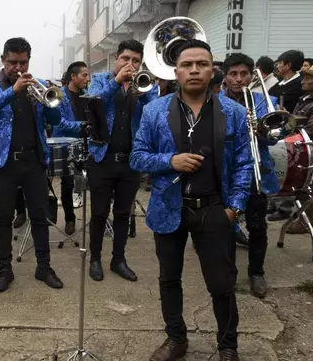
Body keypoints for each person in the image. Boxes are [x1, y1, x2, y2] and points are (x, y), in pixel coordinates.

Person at [130, 39, 252, 361]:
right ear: (176, 71)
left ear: (214, 70)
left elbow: (244, 163)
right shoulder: (155, 110)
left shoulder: (235, 112)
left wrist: (234, 208)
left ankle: (228, 347)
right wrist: (170, 161)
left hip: (215, 208)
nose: (194, 70)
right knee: (169, 279)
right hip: (168, 208)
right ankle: (176, 340)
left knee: (222, 284)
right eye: (187, 65)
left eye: (201, 64)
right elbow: (137, 157)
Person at [0, 37, 70, 292]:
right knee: (4, 219)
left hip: (34, 161)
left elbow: (55, 117)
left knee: (40, 218)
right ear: (3, 60)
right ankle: (5, 269)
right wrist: (13, 90)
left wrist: (49, 100)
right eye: (12, 62)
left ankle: (44, 266)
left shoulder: (36, 84)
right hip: (4, 163)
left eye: (23, 62)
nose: (18, 67)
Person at [85, 39, 159, 282]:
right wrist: (117, 83)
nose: (130, 64)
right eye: (126, 59)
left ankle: (118, 259)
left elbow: (155, 112)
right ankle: (95, 258)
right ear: (116, 59)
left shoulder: (145, 83)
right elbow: (92, 102)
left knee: (123, 214)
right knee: (98, 213)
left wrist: (143, 92)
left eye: (136, 60)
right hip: (102, 159)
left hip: (131, 161)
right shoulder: (100, 80)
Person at [221, 53, 279, 298]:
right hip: (227, 172)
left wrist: (261, 129)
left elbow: (276, 136)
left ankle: (256, 272)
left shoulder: (265, 100)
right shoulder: (215, 102)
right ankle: (228, 272)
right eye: (233, 74)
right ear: (225, 77)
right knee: (225, 226)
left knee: (257, 226)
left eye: (243, 74)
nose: (238, 79)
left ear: (252, 75)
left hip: (257, 170)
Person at [281, 63, 313, 234]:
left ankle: (306, 222)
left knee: (306, 185)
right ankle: (304, 220)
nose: (303, 82)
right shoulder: (307, 99)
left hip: (310, 149)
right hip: (301, 147)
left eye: (307, 79)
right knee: (302, 185)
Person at [52, 61, 90, 234]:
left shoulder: (88, 95)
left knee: (90, 182)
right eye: (84, 75)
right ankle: (69, 218)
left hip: (86, 145)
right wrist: (82, 125)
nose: (87, 79)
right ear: (73, 77)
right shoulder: (59, 96)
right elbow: (59, 123)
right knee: (67, 184)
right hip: (66, 145)